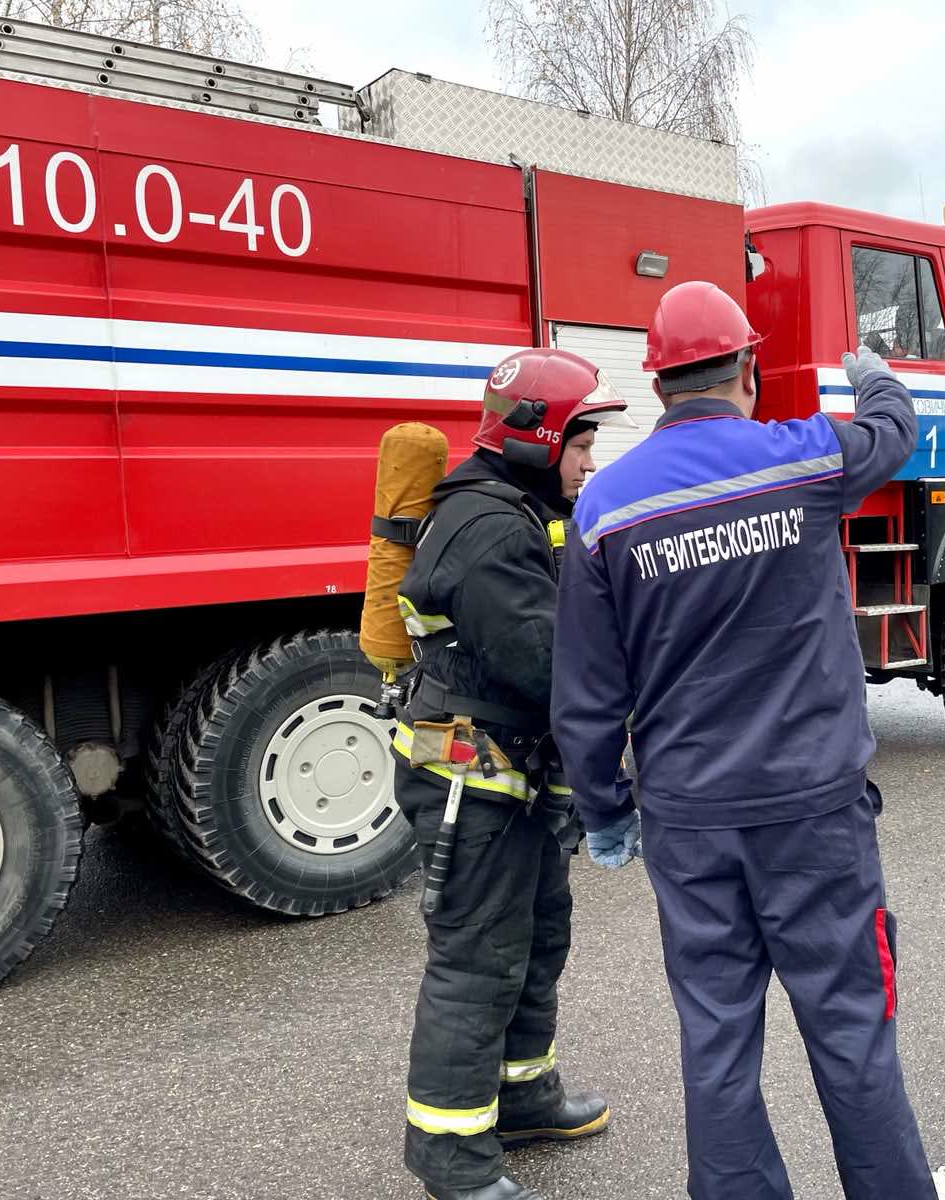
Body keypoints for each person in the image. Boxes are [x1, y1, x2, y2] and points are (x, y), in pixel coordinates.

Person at [551, 280, 937, 1199]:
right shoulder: (801, 461)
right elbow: (893, 432)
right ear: (747, 372)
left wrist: (605, 812)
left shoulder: (605, 507)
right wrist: (872, 375)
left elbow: (588, 694)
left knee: (718, 1042)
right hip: (815, 816)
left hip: (689, 824)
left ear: (660, 385)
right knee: (851, 1032)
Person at [393, 347, 627, 1200]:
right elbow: (549, 667)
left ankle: (524, 1097)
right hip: (473, 781)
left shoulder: (522, 507)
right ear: (534, 435)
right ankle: (450, 1155)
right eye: (581, 442)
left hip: (515, 778)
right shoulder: (490, 527)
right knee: (477, 960)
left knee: (535, 941)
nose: (590, 460)